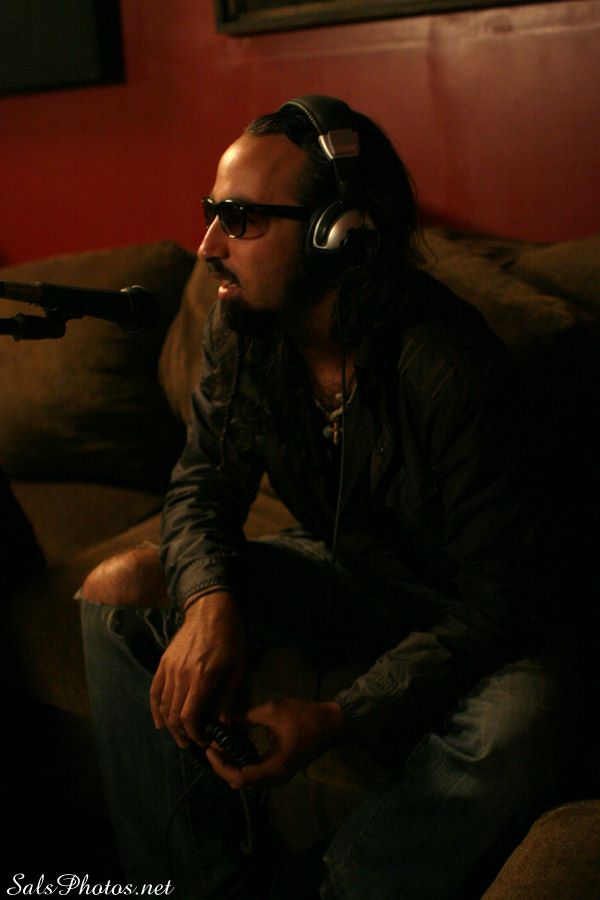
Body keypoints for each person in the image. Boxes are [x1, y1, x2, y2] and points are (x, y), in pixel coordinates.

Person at [79, 96, 566, 900]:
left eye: (240, 219)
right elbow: (202, 483)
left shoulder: (448, 367)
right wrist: (208, 599)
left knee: (518, 731)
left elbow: (500, 603)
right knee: (117, 590)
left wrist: (342, 716)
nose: (209, 246)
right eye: (212, 213)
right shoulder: (243, 331)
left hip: (474, 612)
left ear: (337, 233)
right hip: (351, 572)